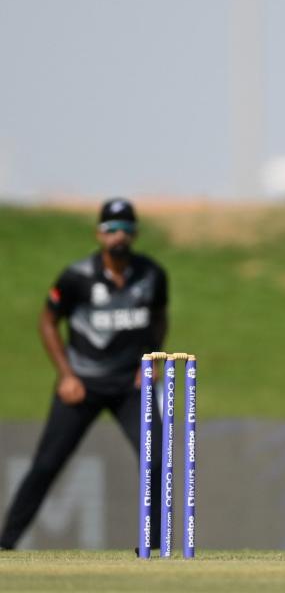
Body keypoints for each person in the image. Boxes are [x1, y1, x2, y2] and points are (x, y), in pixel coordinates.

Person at [0, 199, 167, 550]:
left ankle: (150, 546)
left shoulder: (152, 275)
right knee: (47, 464)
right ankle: (6, 545)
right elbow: (47, 322)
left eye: (124, 228)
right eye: (110, 229)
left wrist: (151, 361)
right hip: (82, 383)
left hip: (130, 386)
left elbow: (158, 319)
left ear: (134, 234)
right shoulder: (76, 277)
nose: (117, 236)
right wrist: (66, 375)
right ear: (98, 233)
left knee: (156, 457)